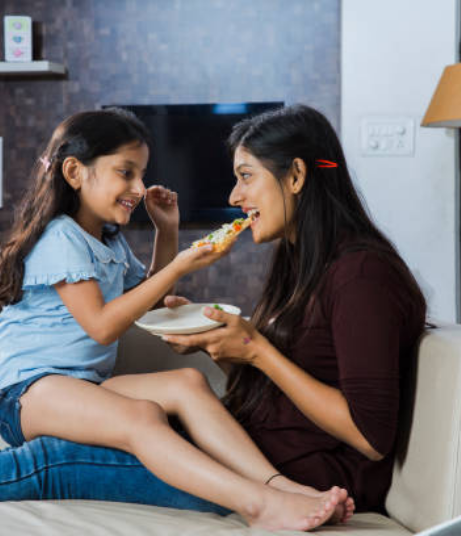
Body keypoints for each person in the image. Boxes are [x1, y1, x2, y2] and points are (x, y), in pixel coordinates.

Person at [0, 108, 350, 532]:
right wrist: (185, 261)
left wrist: (166, 234)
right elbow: (104, 326)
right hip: (28, 392)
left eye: (141, 174)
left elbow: (149, 302)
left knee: (183, 384)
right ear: (75, 172)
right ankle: (260, 506)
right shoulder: (60, 238)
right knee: (141, 421)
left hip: (79, 386)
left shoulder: (106, 240)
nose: (138, 188)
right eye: (125, 173)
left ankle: (281, 486)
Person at [161, 103, 427, 513]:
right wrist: (216, 342)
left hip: (304, 479)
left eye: (246, 176)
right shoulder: (300, 262)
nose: (235, 196)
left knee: (49, 461)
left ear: (297, 175)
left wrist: (255, 349)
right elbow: (282, 396)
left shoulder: (362, 275)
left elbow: (371, 437)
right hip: (247, 454)